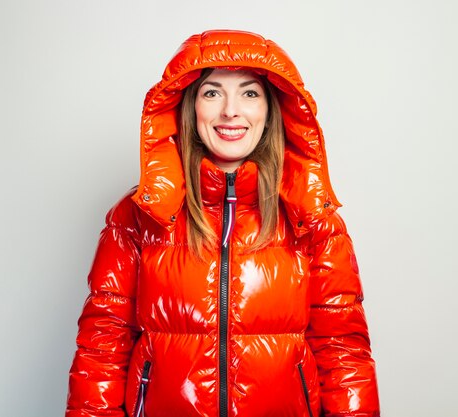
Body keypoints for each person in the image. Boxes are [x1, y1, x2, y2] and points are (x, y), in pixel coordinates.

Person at [66, 30, 380, 417]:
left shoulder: (313, 221)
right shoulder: (136, 219)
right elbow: (102, 347)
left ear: (271, 110)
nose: (231, 111)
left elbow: (343, 352)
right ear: (190, 106)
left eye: (250, 93)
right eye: (212, 92)